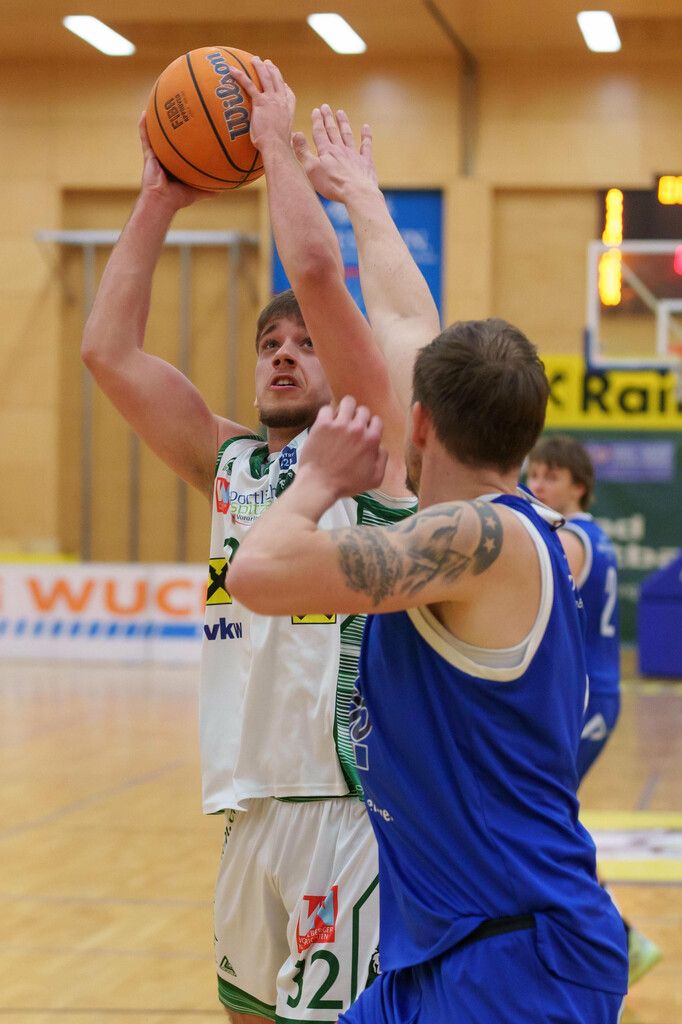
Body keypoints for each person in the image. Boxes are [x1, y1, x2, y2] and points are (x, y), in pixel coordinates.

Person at [81, 58, 439, 1022]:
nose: (284, 351)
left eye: (306, 344)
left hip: (346, 806)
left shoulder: (373, 450)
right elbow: (107, 353)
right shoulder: (229, 465)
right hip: (247, 803)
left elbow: (318, 271)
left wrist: (275, 146)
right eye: (269, 344)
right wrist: (159, 195)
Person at [227, 319, 629, 1023]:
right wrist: (354, 201)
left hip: (516, 962)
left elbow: (256, 571)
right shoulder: (471, 530)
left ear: (418, 422)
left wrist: (318, 478)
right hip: (433, 956)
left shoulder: (482, 537)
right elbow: (409, 317)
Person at [526, 434, 662, 987]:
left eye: (550, 477)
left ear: (579, 486)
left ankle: (614, 941)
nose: (537, 485)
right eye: (533, 475)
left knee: (543, 817)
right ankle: (611, 939)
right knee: (549, 816)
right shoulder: (593, 537)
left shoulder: (570, 539)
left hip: (583, 698)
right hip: (595, 692)